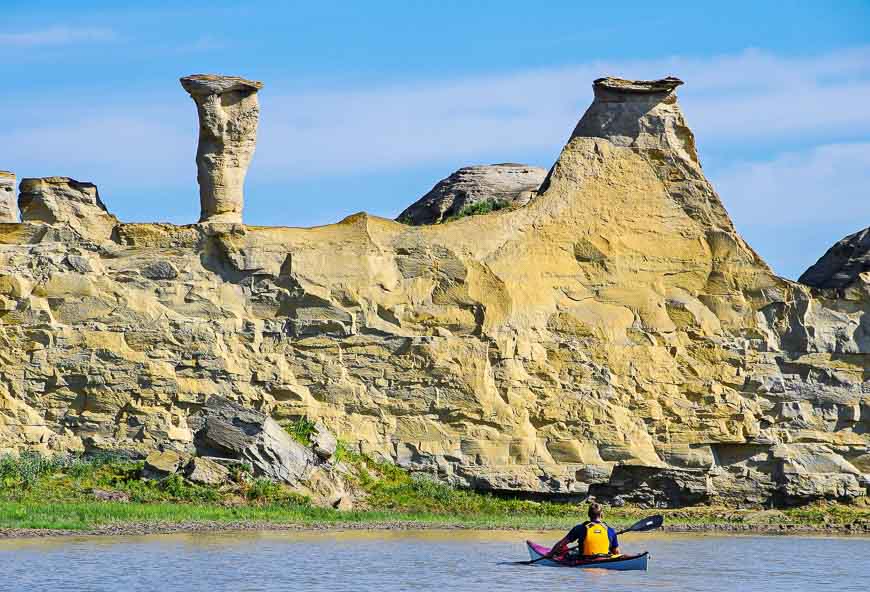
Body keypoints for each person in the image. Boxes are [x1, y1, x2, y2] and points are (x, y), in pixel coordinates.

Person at [551, 502, 620, 559]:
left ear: (588, 514)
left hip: (585, 559)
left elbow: (561, 544)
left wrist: (550, 554)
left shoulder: (580, 528)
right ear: (602, 515)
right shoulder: (610, 530)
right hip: (604, 559)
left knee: (564, 548)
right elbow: (616, 552)